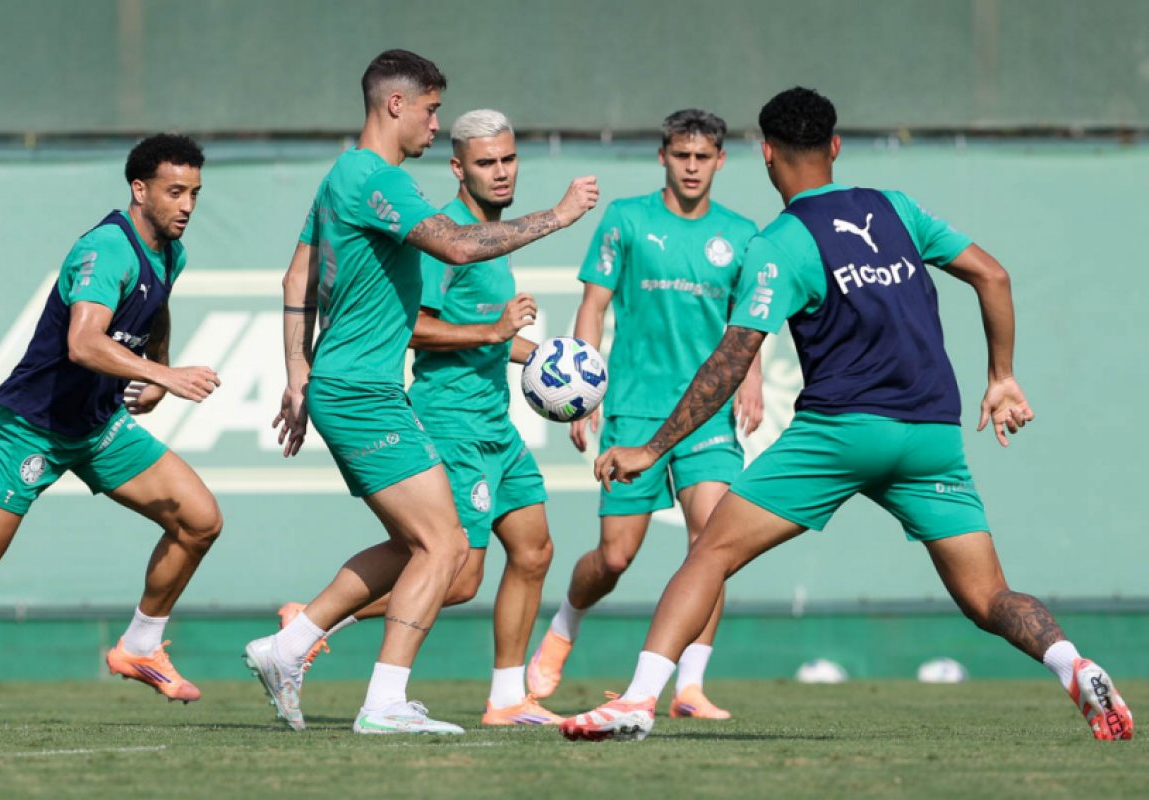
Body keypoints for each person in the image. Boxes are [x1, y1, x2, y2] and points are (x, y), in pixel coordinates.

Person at [560, 87, 1134, 743]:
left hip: (843, 432)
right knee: (989, 598)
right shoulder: (895, 208)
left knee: (709, 553)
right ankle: (1074, 663)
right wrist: (1001, 377)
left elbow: (730, 361)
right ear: (835, 147)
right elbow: (994, 277)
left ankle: (635, 701)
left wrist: (651, 447)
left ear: (766, 154)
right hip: (931, 437)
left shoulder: (779, 243)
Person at [244, 50, 599, 735]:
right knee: (444, 551)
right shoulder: (377, 181)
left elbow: (297, 278)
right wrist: (556, 217)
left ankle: (288, 648)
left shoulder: (343, 177)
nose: (438, 124)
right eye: (432, 109)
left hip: (360, 389)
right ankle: (381, 703)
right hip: (362, 393)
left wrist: (296, 375)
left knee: (430, 547)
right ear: (396, 105)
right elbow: (458, 248)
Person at [0, 134, 223, 704]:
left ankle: (141, 646)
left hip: (98, 428)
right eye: (175, 192)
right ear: (139, 190)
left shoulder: (171, 251)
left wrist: (157, 369)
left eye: (195, 193)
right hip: (33, 428)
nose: (187, 205)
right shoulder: (106, 249)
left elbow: (157, 304)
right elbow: (83, 343)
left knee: (200, 521)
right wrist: (170, 379)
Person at [529, 109, 762, 718]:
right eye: (681, 155)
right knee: (614, 557)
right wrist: (586, 390)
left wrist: (752, 378)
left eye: (703, 156)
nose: (691, 166)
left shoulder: (740, 234)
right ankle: (564, 625)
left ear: (720, 161)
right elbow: (594, 305)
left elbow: (750, 319)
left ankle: (689, 686)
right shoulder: (627, 220)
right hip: (633, 411)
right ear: (663, 156)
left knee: (713, 541)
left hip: (707, 415)